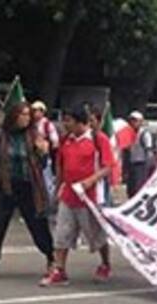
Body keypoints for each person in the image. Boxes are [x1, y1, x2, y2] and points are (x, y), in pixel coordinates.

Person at [40, 106, 113, 287]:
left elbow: (108, 166)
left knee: (96, 235)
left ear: (80, 122)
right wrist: (58, 188)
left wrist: (90, 181)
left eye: (69, 120)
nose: (65, 124)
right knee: (62, 234)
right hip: (68, 195)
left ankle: (105, 264)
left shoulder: (98, 139)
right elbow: (60, 166)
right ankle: (60, 270)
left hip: (90, 197)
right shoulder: (66, 140)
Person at [0, 102, 54, 280]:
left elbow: (42, 165)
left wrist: (43, 152)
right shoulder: (3, 135)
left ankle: (51, 258)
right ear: (14, 116)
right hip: (7, 185)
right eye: (22, 115)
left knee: (37, 224)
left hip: (29, 186)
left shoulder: (33, 135)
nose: (26, 118)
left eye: (28, 115)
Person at [120, 110, 154, 197]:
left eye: (135, 120)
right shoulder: (127, 132)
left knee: (138, 188)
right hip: (130, 164)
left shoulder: (144, 134)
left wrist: (148, 168)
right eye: (131, 120)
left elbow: (149, 151)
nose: (133, 123)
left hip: (141, 164)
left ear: (140, 122)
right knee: (130, 189)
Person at [88, 106, 116, 206]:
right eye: (87, 120)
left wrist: (93, 179)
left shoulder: (102, 139)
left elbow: (108, 165)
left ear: (99, 122)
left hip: (99, 182)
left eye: (92, 121)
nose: (89, 124)